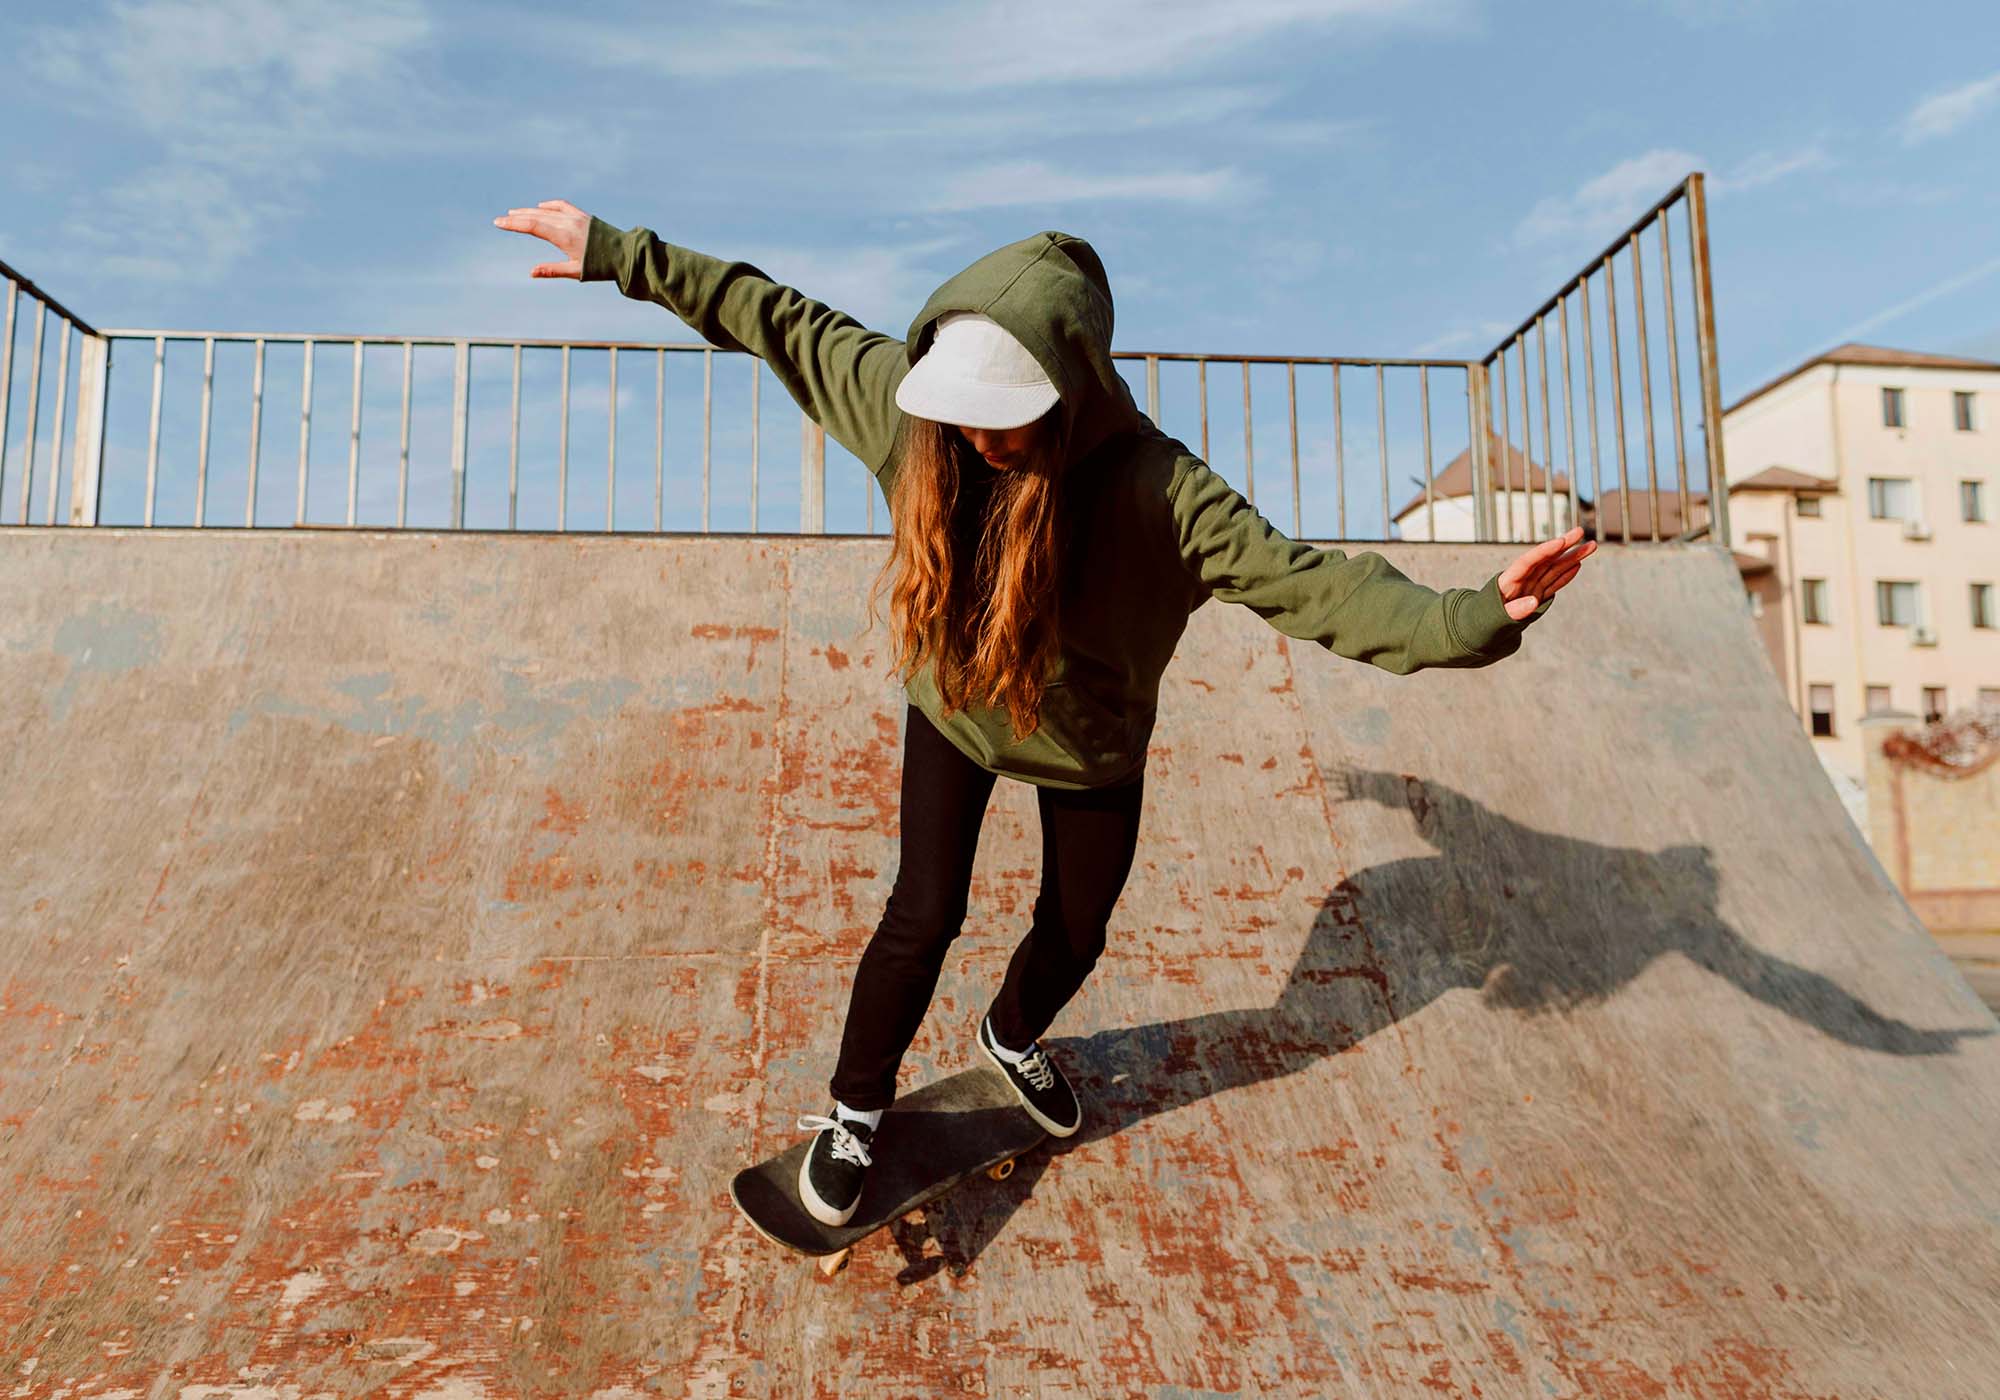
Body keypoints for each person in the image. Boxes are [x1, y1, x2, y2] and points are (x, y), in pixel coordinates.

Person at [494, 198, 1594, 1227]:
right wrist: (618, 255)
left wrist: (1468, 615)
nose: (978, 442)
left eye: (1005, 424)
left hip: (1090, 742)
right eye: (962, 418)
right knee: (922, 911)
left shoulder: (1162, 492)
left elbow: (1312, 587)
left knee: (1077, 928)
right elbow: (772, 317)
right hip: (957, 703)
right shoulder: (908, 413)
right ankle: (853, 1110)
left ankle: (1010, 1034)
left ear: (1069, 393)